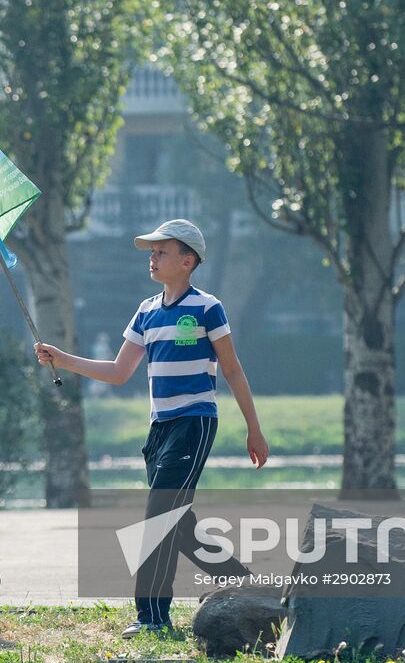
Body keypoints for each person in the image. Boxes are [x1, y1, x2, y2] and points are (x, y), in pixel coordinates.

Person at [35, 219, 270, 637]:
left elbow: (232, 370)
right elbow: (118, 370)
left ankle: (152, 618)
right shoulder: (146, 311)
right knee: (178, 522)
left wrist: (254, 429)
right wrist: (62, 359)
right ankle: (243, 584)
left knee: (158, 519)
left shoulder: (207, 307)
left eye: (162, 251)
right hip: (158, 431)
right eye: (151, 250)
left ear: (188, 260)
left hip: (194, 423)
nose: (153, 257)